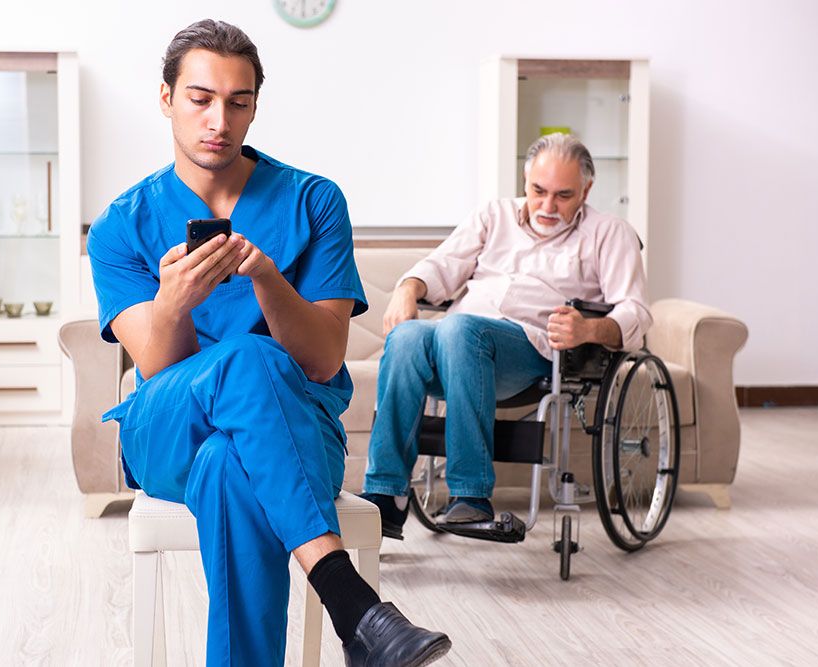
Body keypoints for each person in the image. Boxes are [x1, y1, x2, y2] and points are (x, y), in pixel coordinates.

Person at [87, 19, 451, 667]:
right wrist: (175, 300)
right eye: (200, 98)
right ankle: (350, 602)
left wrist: (263, 276)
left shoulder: (313, 201)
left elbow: (322, 359)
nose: (218, 120)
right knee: (249, 361)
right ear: (166, 97)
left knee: (231, 464)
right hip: (166, 427)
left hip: (294, 427)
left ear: (256, 104)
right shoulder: (122, 224)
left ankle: (356, 620)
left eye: (238, 101)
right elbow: (159, 365)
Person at [360, 133, 652, 538]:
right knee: (408, 336)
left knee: (461, 329)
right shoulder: (493, 216)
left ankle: (470, 495)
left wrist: (589, 328)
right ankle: (386, 496)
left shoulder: (609, 233)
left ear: (587, 188)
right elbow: (441, 266)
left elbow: (635, 311)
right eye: (538, 191)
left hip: (528, 352)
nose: (547, 206)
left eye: (563, 196)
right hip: (456, 345)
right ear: (525, 180)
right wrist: (407, 288)